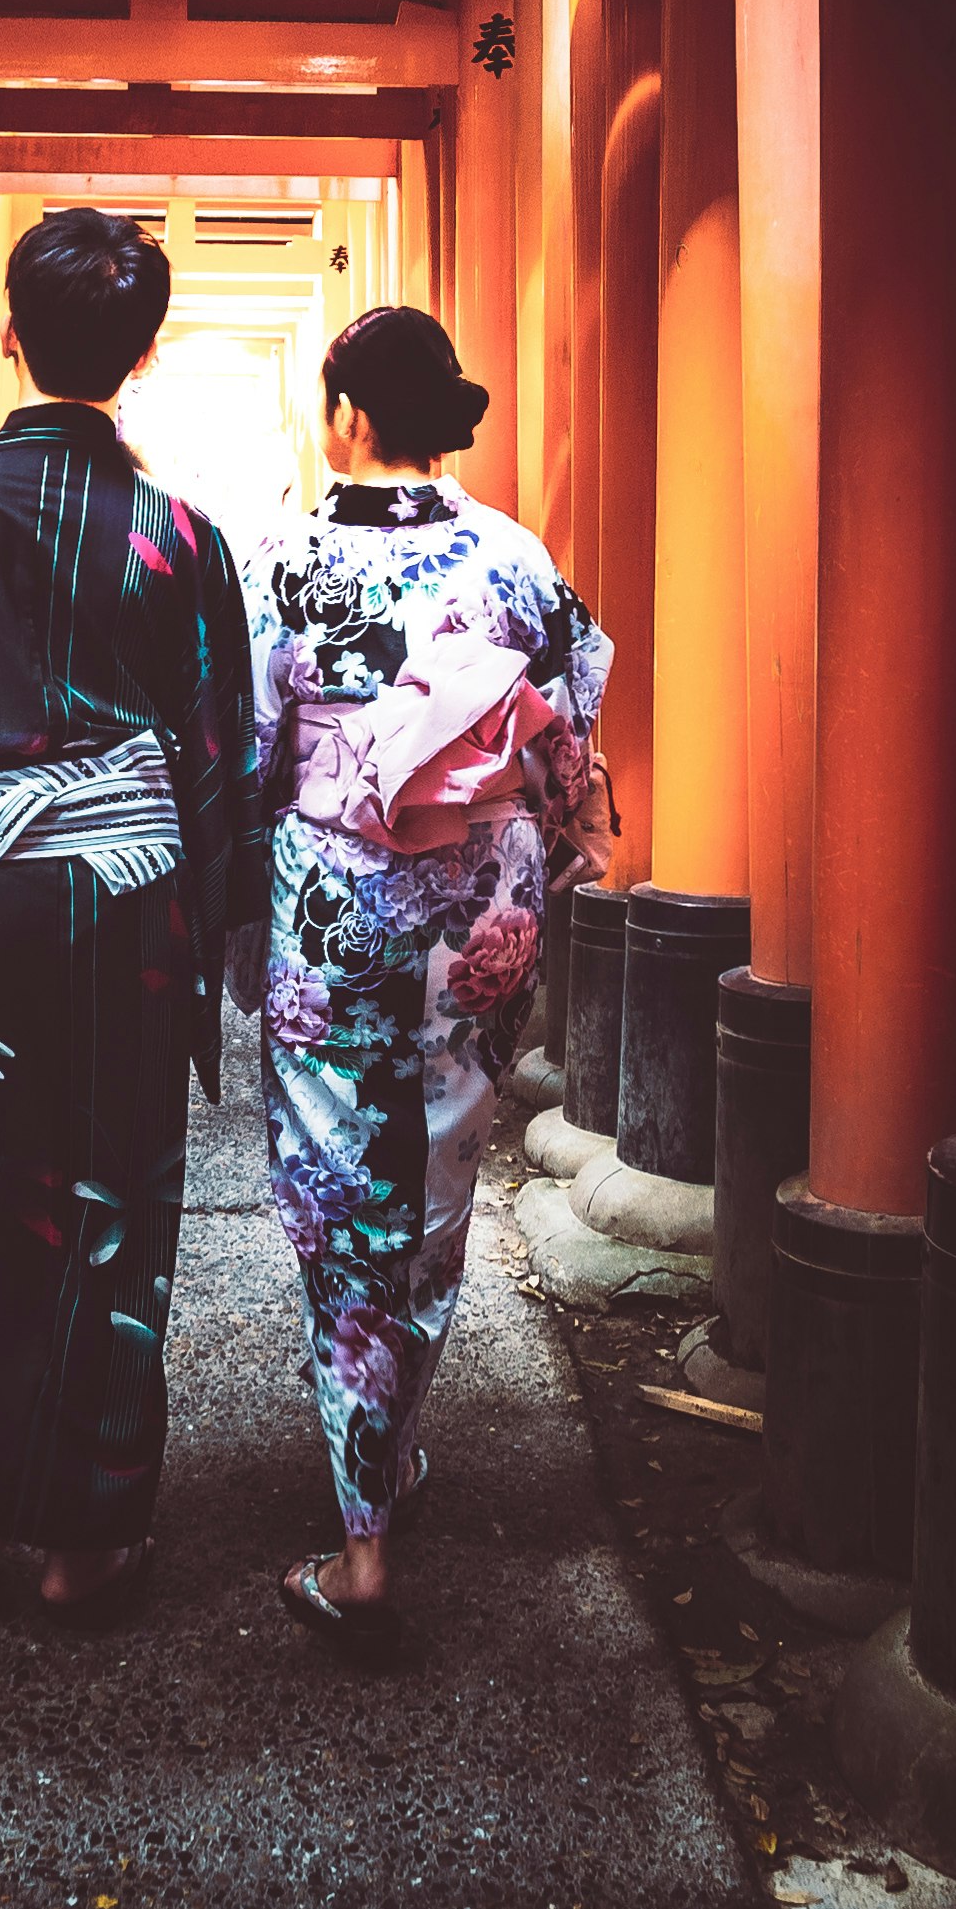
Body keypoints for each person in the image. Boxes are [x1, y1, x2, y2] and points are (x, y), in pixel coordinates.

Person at [0, 207, 263, 1630]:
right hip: (125, 906)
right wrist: (216, 932)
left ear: (6, 334)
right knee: (112, 1206)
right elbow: (218, 757)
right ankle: (85, 1537)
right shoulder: (182, 538)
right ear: (138, 356)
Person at [237, 305, 611, 1668]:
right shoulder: (511, 554)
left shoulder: (278, 554)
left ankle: (360, 1544)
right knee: (441, 1179)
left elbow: (247, 747)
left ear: (343, 413)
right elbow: (568, 713)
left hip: (334, 903)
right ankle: (387, 1445)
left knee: (339, 1189)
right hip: (477, 913)